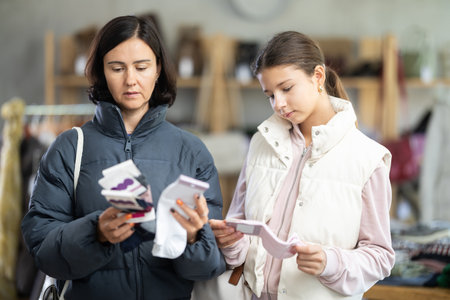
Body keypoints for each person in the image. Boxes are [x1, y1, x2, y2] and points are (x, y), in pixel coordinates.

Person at [21, 15, 225, 299]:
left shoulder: (191, 150)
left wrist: (193, 239)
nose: (131, 80)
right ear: (102, 71)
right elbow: (42, 250)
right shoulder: (69, 147)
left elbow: (210, 267)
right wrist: (96, 233)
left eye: (142, 67)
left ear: (158, 70)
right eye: (117, 68)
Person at [210, 31, 395, 300]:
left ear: (318, 76)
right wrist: (231, 242)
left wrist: (329, 262)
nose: (279, 104)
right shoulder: (261, 143)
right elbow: (240, 228)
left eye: (286, 88)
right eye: (270, 95)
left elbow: (380, 257)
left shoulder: (368, 157)